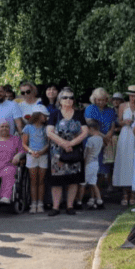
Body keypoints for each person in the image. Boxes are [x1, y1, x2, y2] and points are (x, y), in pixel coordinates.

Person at [46, 88, 88, 216]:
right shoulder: (54, 114)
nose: (68, 100)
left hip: (74, 151)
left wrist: (71, 143)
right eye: (65, 97)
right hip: (57, 152)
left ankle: (70, 206)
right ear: (60, 100)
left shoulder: (79, 114)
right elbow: (49, 132)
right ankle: (56, 206)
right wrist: (63, 143)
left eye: (71, 97)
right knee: (57, 180)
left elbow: (85, 131)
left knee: (73, 179)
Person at [113, 86, 135, 205]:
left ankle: (134, 193)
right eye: (131, 96)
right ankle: (125, 193)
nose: (133, 98)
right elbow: (118, 121)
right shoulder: (123, 106)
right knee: (124, 162)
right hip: (125, 134)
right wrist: (125, 122)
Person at [84, 88, 116, 191]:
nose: (101, 102)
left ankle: (99, 195)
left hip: (106, 143)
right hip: (93, 141)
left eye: (103, 99)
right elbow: (90, 127)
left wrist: (109, 135)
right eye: (98, 99)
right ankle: (91, 195)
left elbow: (112, 126)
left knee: (103, 168)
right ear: (94, 99)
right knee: (92, 169)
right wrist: (104, 137)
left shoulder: (110, 110)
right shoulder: (90, 109)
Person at [22, 105, 50, 213]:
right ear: (38, 115)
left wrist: (42, 151)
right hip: (31, 156)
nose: (46, 118)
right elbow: (24, 143)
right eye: (44, 115)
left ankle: (40, 203)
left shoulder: (46, 128)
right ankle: (33, 203)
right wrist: (31, 151)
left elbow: (48, 143)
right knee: (33, 181)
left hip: (43, 156)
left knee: (41, 181)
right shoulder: (28, 128)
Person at [83, 119, 105, 210]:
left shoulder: (90, 140)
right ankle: (99, 200)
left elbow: (87, 153)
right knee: (93, 183)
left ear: (91, 129)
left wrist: (84, 163)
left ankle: (79, 201)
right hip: (96, 162)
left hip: (89, 162)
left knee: (83, 183)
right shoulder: (100, 139)